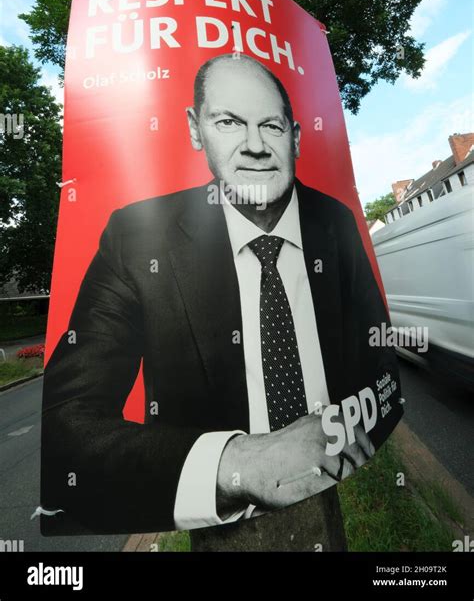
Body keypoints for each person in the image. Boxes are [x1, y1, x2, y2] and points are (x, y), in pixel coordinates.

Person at [41, 53, 402, 535]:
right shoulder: (136, 237)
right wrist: (237, 464)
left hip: (329, 496)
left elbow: (377, 355)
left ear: (295, 138)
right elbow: (68, 423)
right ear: (196, 129)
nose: (255, 146)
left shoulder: (336, 222)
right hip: (222, 523)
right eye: (229, 122)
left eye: (271, 126)